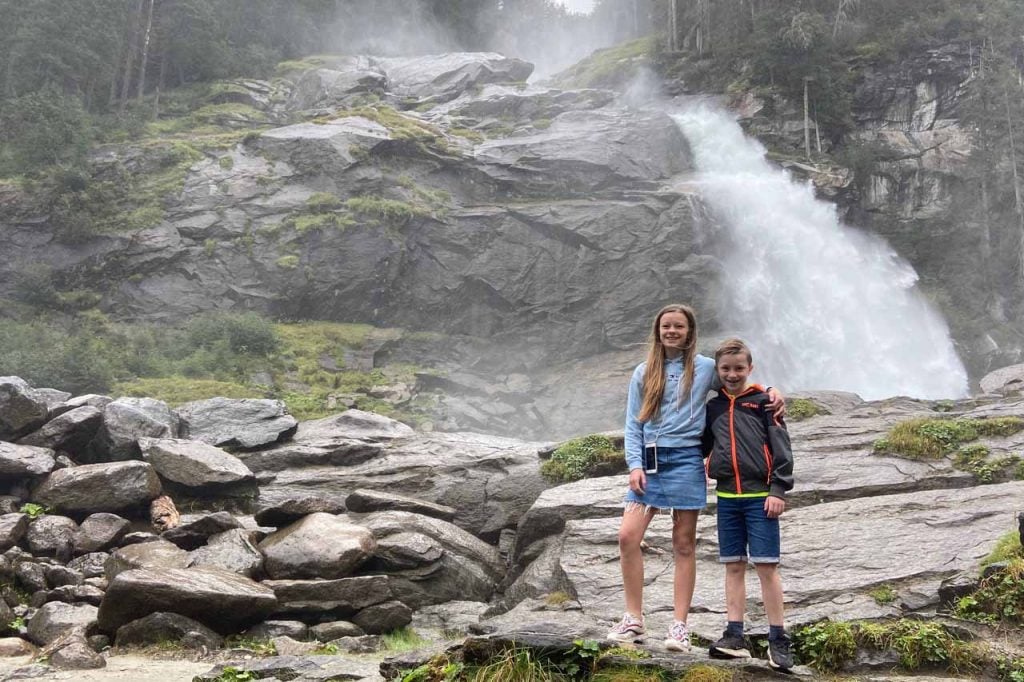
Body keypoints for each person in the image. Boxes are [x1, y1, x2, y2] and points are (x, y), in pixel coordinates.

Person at [606, 305, 784, 652]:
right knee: (628, 537)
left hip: (687, 461)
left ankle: (679, 627)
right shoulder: (644, 372)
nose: (672, 331)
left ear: (690, 332)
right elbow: (632, 423)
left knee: (684, 544)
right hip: (653, 462)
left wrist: (771, 390)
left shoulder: (704, 368)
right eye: (666, 326)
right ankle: (633, 619)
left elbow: (737, 379)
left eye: (679, 327)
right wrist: (634, 465)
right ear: (658, 331)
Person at [702, 337, 794, 671]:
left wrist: (778, 490)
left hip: (760, 498)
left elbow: (782, 448)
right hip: (727, 497)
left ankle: (778, 638)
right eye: (725, 368)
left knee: (767, 566)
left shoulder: (764, 403)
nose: (732, 374)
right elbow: (704, 445)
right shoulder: (712, 406)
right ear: (717, 371)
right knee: (734, 564)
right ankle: (734, 635)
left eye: (739, 368)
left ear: (750, 368)